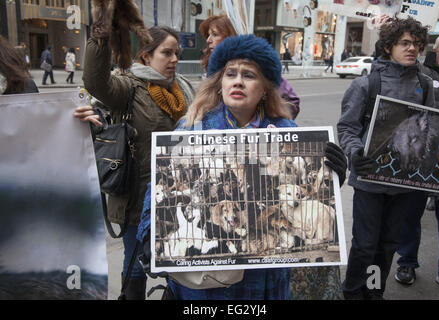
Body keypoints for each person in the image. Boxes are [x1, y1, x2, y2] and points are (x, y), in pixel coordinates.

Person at [144, 34, 347, 300]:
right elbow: (157, 185)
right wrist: (149, 231)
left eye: (249, 75)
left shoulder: (287, 131)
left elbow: (303, 191)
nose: (238, 81)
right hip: (207, 285)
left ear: (265, 88)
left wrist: (333, 175)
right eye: (231, 74)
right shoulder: (193, 126)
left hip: (263, 280)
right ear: (220, 83)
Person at [74, 25, 195, 299]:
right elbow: (95, 82)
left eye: (177, 52)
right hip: (137, 200)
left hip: (180, 199)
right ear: (145, 56)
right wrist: (102, 36)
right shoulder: (127, 87)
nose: (175, 59)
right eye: (167, 53)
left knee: (179, 267)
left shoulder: (185, 90)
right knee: (136, 268)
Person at [337, 17, 434, 300]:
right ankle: (354, 293)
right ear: (389, 46)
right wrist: (355, 152)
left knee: (388, 244)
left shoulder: (425, 85)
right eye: (405, 43)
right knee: (365, 245)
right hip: (369, 181)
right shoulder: (366, 84)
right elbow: (347, 127)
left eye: (416, 44)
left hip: (404, 182)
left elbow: (429, 128)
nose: (412, 48)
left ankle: (373, 290)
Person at [394, 30, 439, 288]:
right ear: (436, 49)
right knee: (410, 213)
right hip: (422, 155)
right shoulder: (420, 72)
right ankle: (407, 262)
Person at [199, 15, 300, 120]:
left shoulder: (259, 64)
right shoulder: (199, 125)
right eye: (230, 74)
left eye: (215, 34)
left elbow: (291, 102)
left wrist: (268, 120)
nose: (208, 40)